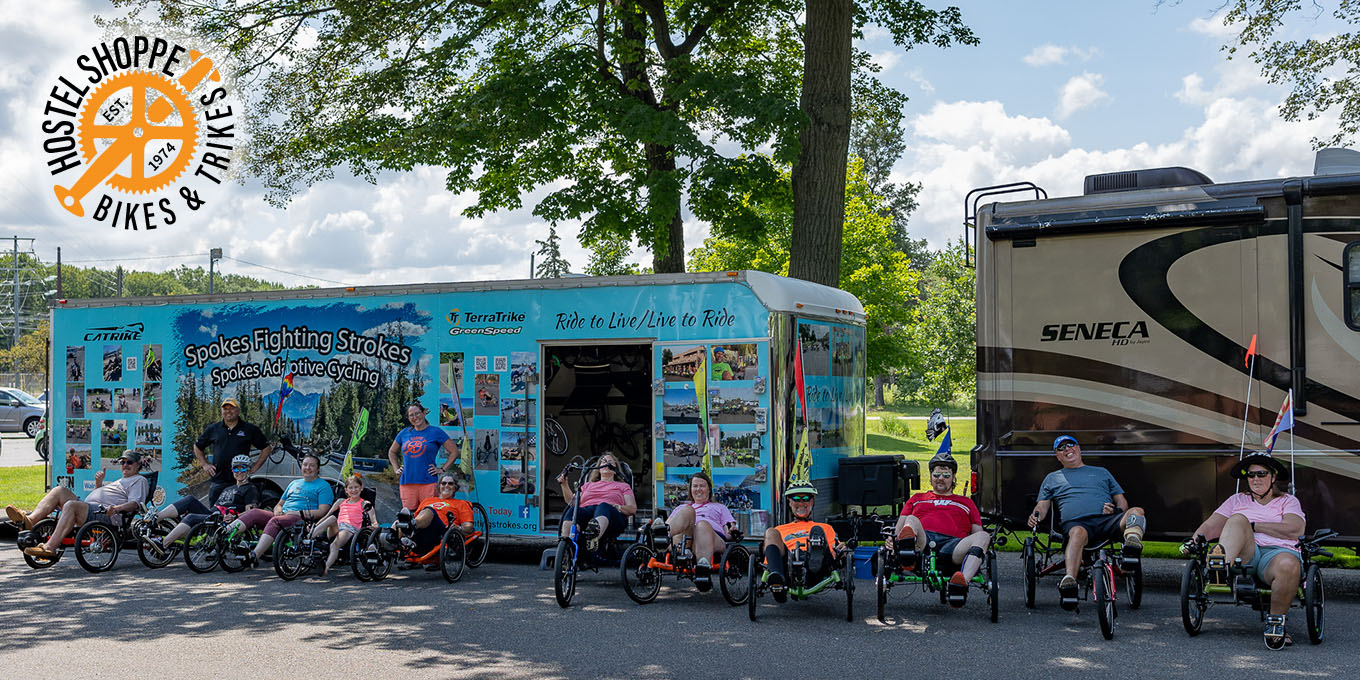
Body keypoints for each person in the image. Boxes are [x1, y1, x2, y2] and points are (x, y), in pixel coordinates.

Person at [1184, 451, 1305, 649]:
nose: (1255, 479)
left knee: (1288, 564)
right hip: (1245, 553)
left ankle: (1276, 622)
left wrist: (1255, 525)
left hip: (1277, 554)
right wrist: (1193, 541)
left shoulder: (1287, 501)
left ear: (1273, 477)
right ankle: (1220, 565)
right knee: (1237, 519)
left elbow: (1294, 529)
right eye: (1251, 475)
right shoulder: (1237, 500)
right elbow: (1212, 525)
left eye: (1261, 474)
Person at [1027, 435, 1146, 609]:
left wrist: (1116, 510)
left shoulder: (1101, 472)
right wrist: (1035, 515)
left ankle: (1131, 547)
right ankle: (1069, 581)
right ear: (1057, 456)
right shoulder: (1053, 478)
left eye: (1071, 445)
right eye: (1061, 448)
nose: (1067, 449)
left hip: (1106, 520)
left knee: (1137, 512)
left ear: (1079, 449)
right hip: (1077, 524)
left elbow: (1122, 502)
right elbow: (1042, 506)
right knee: (1078, 533)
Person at [888, 451, 990, 607]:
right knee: (911, 519)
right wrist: (892, 540)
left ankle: (961, 582)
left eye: (946, 475)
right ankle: (907, 556)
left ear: (953, 477)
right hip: (923, 543)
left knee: (983, 536)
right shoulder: (917, 499)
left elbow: (977, 533)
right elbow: (899, 526)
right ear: (930, 477)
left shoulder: (966, 502)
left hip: (954, 546)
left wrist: (980, 543)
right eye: (936, 475)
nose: (940, 478)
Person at [8, 450, 149, 559]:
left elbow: (135, 504)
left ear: (138, 465)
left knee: (71, 505)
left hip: (107, 515)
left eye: (129, 462)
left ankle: (50, 547)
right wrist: (98, 485)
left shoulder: (139, 480)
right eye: (122, 462)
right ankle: (29, 521)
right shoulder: (121, 480)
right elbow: (99, 498)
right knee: (59, 491)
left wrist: (117, 508)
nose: (125, 465)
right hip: (91, 508)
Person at [227, 453, 334, 569]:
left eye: (311, 465)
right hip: (282, 515)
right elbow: (279, 504)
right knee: (254, 512)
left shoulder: (324, 486)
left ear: (318, 469)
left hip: (301, 518)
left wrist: (298, 513)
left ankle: (254, 555)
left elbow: (323, 511)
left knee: (275, 521)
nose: (307, 468)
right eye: (305, 465)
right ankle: (223, 533)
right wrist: (278, 509)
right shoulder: (294, 483)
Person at [148, 453, 259, 555]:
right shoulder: (229, 488)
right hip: (212, 514)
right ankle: (153, 519)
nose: (239, 472)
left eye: (243, 468)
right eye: (236, 468)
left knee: (191, 517)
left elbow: (251, 512)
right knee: (189, 499)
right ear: (232, 470)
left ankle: (163, 544)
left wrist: (234, 517)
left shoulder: (250, 489)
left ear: (248, 470)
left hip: (223, 520)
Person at [761, 480, 842, 602]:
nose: (801, 502)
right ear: (790, 502)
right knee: (770, 532)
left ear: (812, 501)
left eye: (806, 498)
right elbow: (767, 562)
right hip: (788, 562)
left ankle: (814, 557)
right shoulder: (780, 529)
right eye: (796, 499)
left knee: (818, 532)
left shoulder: (825, 527)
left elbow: (835, 553)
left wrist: (843, 549)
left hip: (819, 566)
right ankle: (777, 580)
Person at [666, 471, 737, 591]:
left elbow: (728, 531)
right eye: (695, 486)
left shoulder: (720, 507)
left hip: (712, 537)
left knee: (701, 525)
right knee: (687, 510)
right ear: (690, 490)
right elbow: (669, 523)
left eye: (702, 486)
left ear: (709, 489)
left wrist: (732, 531)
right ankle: (663, 537)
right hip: (684, 539)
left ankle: (703, 570)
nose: (698, 489)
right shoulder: (681, 508)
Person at [194, 398, 271, 505]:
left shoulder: (249, 429)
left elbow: (266, 448)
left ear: (238, 411)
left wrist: (256, 466)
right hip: (218, 481)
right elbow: (197, 446)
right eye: (225, 409)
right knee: (214, 515)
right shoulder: (213, 429)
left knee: (238, 514)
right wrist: (204, 464)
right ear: (222, 411)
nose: (228, 411)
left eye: (232, 408)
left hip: (240, 481)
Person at [389, 473, 475, 570]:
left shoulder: (462, 504)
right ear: (439, 487)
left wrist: (458, 528)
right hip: (420, 532)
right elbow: (418, 517)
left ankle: (411, 527)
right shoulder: (428, 500)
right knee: (398, 522)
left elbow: (469, 527)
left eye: (450, 483)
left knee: (430, 511)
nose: (446, 486)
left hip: (440, 531)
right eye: (443, 483)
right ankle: (386, 544)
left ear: (455, 487)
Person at [557, 452, 636, 553]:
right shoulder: (587, 485)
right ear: (598, 468)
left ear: (615, 470)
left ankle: (593, 538)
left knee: (603, 505)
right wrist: (564, 485)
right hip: (588, 511)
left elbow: (632, 509)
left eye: (609, 462)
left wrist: (617, 507)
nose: (606, 463)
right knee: (573, 510)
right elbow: (572, 502)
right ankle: (566, 548)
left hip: (612, 514)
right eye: (603, 462)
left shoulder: (623, 486)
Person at [387, 403, 460, 511]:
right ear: (408, 418)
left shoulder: (435, 432)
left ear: (424, 413)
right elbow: (392, 452)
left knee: (428, 516)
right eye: (411, 415)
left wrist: (442, 469)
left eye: (417, 413)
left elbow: (454, 451)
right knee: (408, 519)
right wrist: (396, 469)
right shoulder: (404, 433)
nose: (415, 417)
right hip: (407, 482)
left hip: (428, 483)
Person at [311, 474, 378, 576]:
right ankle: (308, 538)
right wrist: (316, 525)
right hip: (336, 527)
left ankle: (326, 567)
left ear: (361, 488)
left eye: (356, 487)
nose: (354, 490)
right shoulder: (341, 501)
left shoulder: (364, 503)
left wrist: (374, 526)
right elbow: (326, 516)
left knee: (334, 545)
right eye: (350, 488)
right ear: (346, 490)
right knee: (332, 518)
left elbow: (374, 520)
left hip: (350, 529)